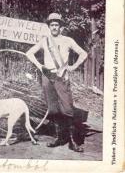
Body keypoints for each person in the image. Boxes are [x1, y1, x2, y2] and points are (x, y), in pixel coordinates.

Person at [26, 13, 88, 152]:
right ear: (49, 26)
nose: (54, 27)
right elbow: (29, 53)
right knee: (53, 109)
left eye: (57, 25)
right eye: (52, 25)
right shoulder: (45, 41)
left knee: (67, 109)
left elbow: (83, 54)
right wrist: (40, 66)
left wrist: (73, 67)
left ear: (61, 27)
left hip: (62, 76)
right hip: (48, 77)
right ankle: (59, 137)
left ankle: (72, 141)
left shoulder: (68, 40)